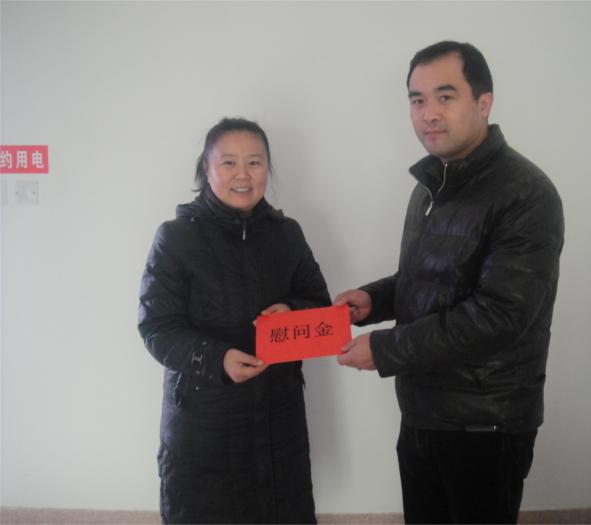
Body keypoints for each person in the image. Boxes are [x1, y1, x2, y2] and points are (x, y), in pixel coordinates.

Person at [334, 41, 564, 524]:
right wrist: (373, 301)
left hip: (485, 425)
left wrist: (385, 349)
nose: (428, 113)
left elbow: (499, 316)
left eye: (445, 96)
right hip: (423, 413)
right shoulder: (430, 187)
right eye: (417, 100)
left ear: (484, 102)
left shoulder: (526, 194)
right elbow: (429, 279)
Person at [138, 117, 329, 524]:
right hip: (202, 420)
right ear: (206, 169)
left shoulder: (287, 234)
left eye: (255, 163)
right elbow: (157, 327)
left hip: (277, 415)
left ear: (267, 169)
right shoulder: (176, 238)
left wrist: (292, 310)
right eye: (228, 163)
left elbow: (320, 305)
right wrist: (217, 359)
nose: (243, 175)